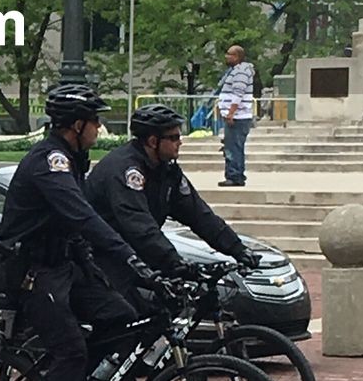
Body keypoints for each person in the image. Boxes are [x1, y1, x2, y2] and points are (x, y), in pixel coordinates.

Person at [0, 84, 161, 381]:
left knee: (123, 318)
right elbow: (82, 215)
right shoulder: (50, 161)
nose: (99, 128)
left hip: (67, 265)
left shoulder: (74, 158)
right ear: (75, 125)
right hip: (33, 270)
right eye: (95, 121)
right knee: (70, 349)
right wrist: (128, 255)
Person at [84, 104, 262, 283]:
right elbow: (139, 225)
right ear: (153, 142)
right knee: (126, 310)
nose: (180, 142)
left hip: (136, 254)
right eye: (174, 137)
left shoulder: (167, 170)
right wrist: (174, 261)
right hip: (103, 257)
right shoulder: (125, 170)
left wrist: (238, 249)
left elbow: (199, 215)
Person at [216, 45, 255, 187]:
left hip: (238, 117)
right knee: (232, 146)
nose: (227, 57)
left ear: (237, 57)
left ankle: (234, 176)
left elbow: (238, 93)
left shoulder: (241, 72)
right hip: (236, 116)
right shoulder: (236, 71)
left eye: (229, 54)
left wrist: (231, 112)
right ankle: (235, 174)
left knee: (233, 148)